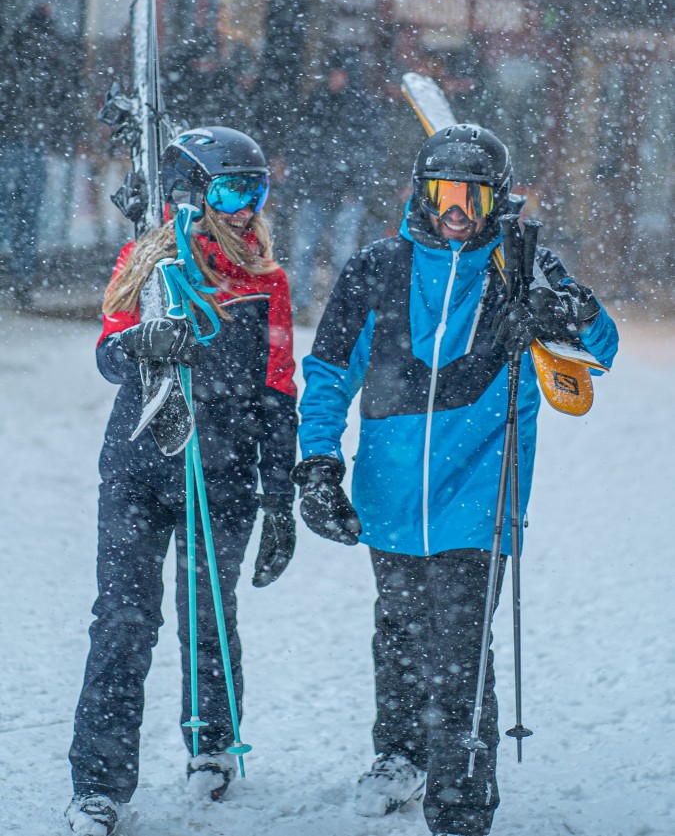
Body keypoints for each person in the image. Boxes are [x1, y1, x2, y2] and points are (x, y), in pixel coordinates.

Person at [291, 122, 618, 836]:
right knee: (399, 631)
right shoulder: (373, 269)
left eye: (471, 196)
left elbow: (602, 350)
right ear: (419, 192)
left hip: (478, 496)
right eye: (443, 193)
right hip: (390, 492)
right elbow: (325, 374)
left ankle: (460, 805)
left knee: (460, 650)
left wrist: (571, 309)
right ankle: (399, 753)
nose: (455, 210)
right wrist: (317, 461)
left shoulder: (522, 270)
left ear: (496, 201)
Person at [67, 126, 298, 836]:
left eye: (256, 190)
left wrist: (279, 499)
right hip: (138, 468)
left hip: (220, 473)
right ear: (190, 191)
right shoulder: (145, 260)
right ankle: (100, 784)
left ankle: (213, 742)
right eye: (231, 189)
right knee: (124, 620)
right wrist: (142, 342)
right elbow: (108, 354)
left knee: (206, 611)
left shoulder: (265, 280)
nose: (245, 207)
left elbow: (278, 393)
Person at [289, 50, 384, 323]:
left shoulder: (361, 107)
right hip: (318, 189)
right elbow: (303, 144)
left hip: (345, 193)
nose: (334, 79)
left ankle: (344, 307)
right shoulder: (319, 102)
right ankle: (303, 305)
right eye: (332, 73)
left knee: (343, 254)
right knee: (305, 250)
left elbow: (371, 152)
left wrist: (357, 187)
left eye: (339, 73)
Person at [0, 1, 81, 308]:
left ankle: (23, 278)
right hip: (29, 140)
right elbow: (61, 96)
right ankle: (23, 278)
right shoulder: (49, 51)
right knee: (25, 216)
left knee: (18, 213)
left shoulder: (17, 48)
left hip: (17, 139)